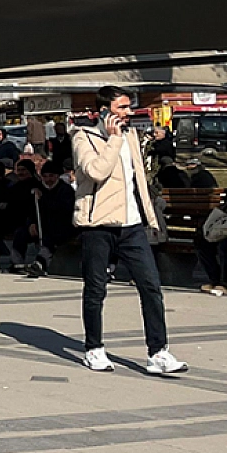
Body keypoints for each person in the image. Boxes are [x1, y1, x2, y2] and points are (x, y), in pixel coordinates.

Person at [72, 86, 186, 375]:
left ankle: (158, 352)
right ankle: (94, 348)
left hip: (131, 225)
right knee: (96, 288)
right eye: (121, 107)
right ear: (104, 110)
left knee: (151, 286)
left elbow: (137, 179)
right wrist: (112, 140)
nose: (128, 112)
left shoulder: (131, 136)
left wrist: (149, 216)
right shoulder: (83, 137)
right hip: (98, 224)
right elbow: (96, 171)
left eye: (128, 107)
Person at [19, 160, 76, 278]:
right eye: (45, 176)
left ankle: (40, 263)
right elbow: (32, 210)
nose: (48, 179)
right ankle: (17, 262)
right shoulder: (39, 189)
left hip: (62, 227)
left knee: (50, 238)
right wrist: (32, 223)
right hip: (43, 224)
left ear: (57, 176)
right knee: (21, 233)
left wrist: (43, 199)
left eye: (51, 176)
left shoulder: (66, 190)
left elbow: (63, 211)